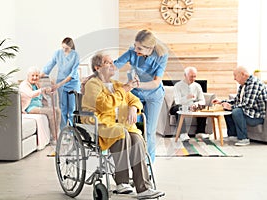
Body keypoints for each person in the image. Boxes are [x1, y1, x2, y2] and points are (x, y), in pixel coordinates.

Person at [81, 53, 165, 199]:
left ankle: (144, 187)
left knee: (137, 138)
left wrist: (133, 107)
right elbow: (104, 105)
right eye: (108, 62)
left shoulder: (115, 84)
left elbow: (135, 100)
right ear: (98, 67)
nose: (113, 64)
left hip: (117, 124)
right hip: (99, 123)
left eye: (112, 61)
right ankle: (122, 182)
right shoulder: (92, 84)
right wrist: (125, 89)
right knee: (121, 132)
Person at [114, 29, 169, 163]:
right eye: (135, 45)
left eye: (139, 48)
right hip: (135, 93)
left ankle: (148, 165)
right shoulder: (133, 51)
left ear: (149, 48)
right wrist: (94, 76)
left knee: (149, 131)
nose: (135, 49)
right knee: (130, 126)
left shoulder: (161, 55)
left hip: (153, 94)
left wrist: (138, 85)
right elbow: (115, 65)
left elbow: (156, 82)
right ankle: (130, 160)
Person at [212, 66, 267, 146]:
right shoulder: (243, 84)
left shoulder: (254, 84)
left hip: (256, 116)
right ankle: (233, 135)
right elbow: (237, 101)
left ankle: (243, 138)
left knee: (236, 111)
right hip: (247, 113)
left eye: (235, 76)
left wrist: (231, 107)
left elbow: (247, 104)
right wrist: (222, 102)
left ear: (243, 74)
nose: (234, 78)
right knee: (228, 108)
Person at [40, 37, 80, 130]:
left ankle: (72, 132)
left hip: (72, 82)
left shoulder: (75, 55)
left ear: (71, 47)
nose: (64, 50)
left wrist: (59, 84)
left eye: (66, 48)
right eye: (63, 48)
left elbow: (72, 74)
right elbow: (50, 64)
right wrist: (42, 73)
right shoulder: (57, 53)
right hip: (61, 82)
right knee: (63, 108)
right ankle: (64, 131)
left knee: (72, 109)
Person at [19, 67, 61, 143]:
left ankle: (56, 134)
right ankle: (55, 138)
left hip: (39, 106)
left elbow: (46, 94)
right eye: (32, 75)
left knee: (57, 110)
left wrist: (51, 90)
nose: (35, 77)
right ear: (28, 76)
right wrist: (42, 90)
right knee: (51, 112)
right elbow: (31, 94)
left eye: (36, 75)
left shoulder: (37, 85)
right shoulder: (24, 85)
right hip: (30, 108)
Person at [170, 66, 208, 141]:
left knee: (202, 107)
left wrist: (196, 105)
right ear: (185, 75)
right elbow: (177, 101)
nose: (193, 79)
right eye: (191, 76)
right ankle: (183, 133)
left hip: (193, 106)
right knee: (179, 108)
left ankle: (200, 132)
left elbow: (202, 100)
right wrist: (187, 98)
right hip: (178, 106)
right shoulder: (178, 86)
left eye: (194, 76)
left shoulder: (197, 86)